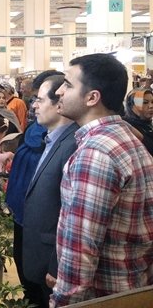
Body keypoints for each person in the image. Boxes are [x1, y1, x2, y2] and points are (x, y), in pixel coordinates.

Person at [51, 53, 153, 307]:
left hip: (104, 297)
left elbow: (81, 249)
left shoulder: (96, 153)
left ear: (92, 97)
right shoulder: (123, 138)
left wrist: (64, 302)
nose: (59, 92)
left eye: (68, 85)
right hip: (131, 288)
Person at [5, 69, 62, 307]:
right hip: (25, 211)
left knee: (39, 283)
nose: (34, 105)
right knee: (25, 267)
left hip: (42, 222)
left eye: (39, 99)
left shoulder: (64, 142)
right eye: (34, 98)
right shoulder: (39, 132)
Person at [22, 75, 78, 308]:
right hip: (40, 252)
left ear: (59, 104)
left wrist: (56, 264)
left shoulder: (72, 144)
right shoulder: (53, 139)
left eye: (40, 100)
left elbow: (71, 213)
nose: (34, 105)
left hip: (53, 260)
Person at [122, 87, 153, 156]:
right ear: (133, 105)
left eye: (152, 102)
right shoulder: (125, 125)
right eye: (145, 102)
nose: (151, 106)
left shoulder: (147, 125)